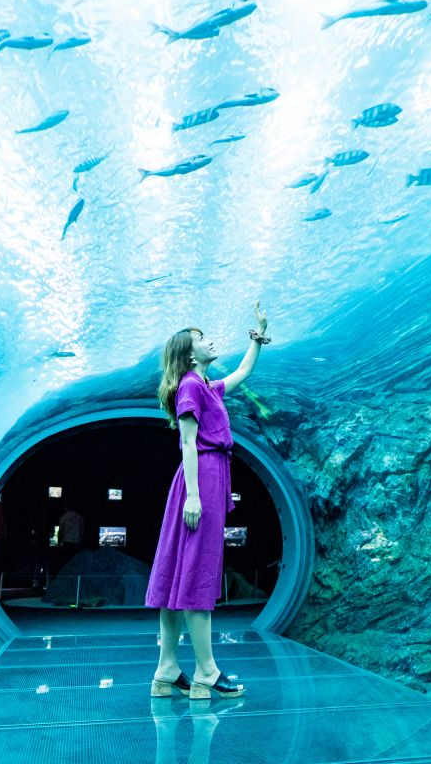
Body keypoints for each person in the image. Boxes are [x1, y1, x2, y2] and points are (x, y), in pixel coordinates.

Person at [146, 300, 270, 700]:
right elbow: (186, 442)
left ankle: (167, 670)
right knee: (198, 572)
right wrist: (195, 498)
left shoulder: (206, 387)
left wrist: (259, 336)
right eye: (201, 339)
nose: (210, 340)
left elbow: (243, 371)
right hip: (200, 477)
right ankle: (207, 672)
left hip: (208, 475)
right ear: (188, 353)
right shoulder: (189, 387)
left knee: (178, 575)